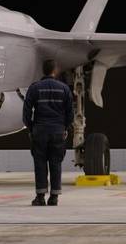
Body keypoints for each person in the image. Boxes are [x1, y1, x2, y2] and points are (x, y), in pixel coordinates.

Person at [22, 59, 74, 206]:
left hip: (40, 131)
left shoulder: (35, 88)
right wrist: (65, 127)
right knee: (56, 163)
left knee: (40, 163)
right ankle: (54, 197)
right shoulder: (64, 89)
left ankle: (40, 197)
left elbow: (26, 112)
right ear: (55, 70)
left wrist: (31, 128)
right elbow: (70, 113)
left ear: (43, 70)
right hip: (57, 131)